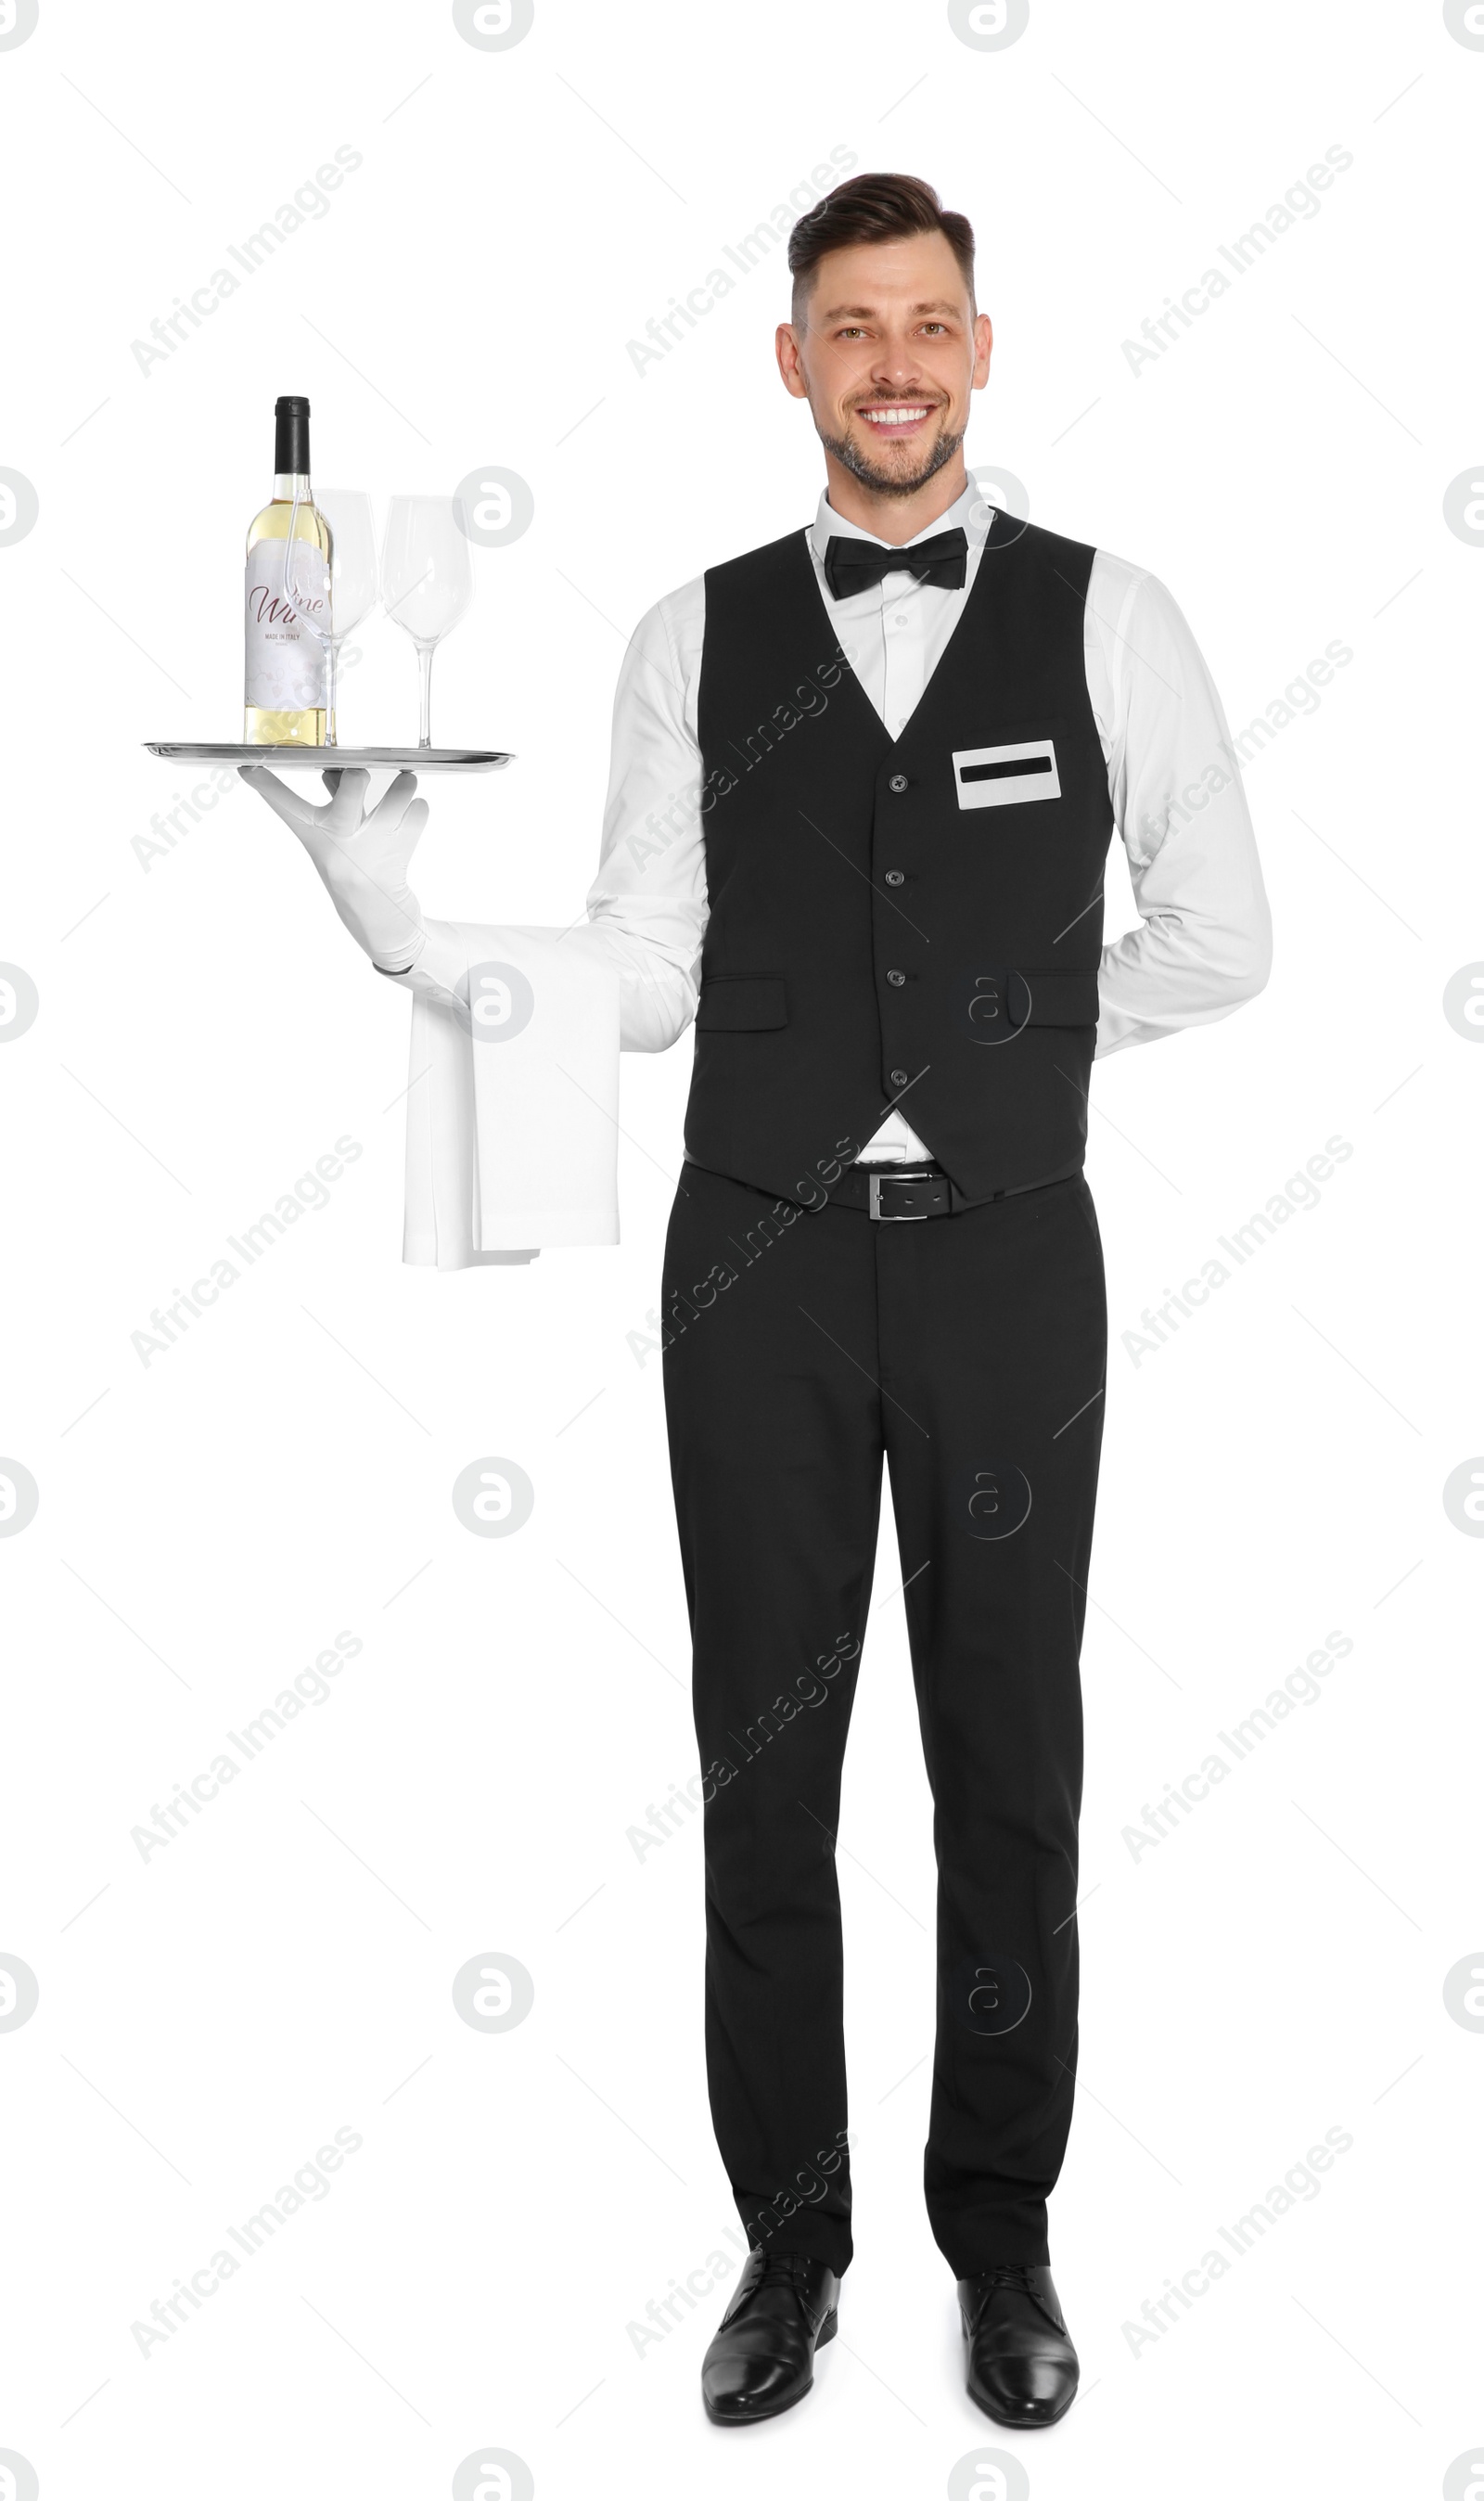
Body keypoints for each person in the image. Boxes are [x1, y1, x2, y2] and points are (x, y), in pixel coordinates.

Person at [243, 172, 1272, 2430]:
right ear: (789, 362)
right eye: (847, 327)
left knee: (1007, 1767)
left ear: (977, 353)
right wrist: (413, 936)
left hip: (1010, 1263)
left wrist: (1009, 1034)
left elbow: (1219, 937)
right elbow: (640, 970)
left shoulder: (1117, 619)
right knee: (760, 1775)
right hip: (760, 1270)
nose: (891, 363)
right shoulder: (684, 636)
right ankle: (786, 2245)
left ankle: (995, 2240)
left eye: (927, 324)